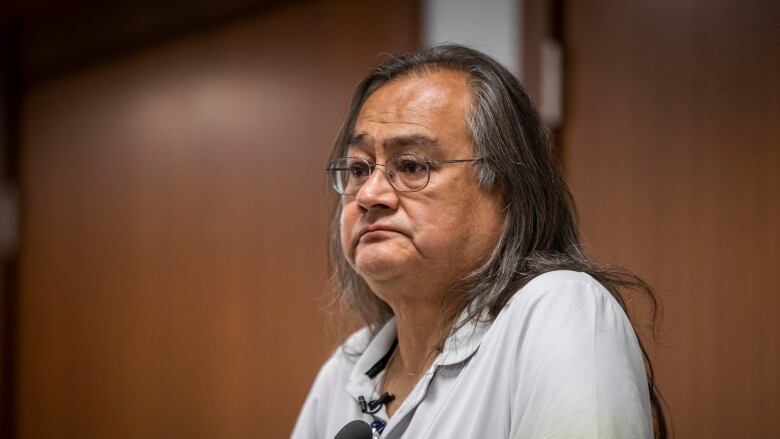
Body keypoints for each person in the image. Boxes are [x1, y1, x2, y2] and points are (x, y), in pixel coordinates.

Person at [292, 44, 667, 439]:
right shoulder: (347, 367)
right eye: (358, 168)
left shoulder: (559, 310)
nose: (369, 195)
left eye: (411, 166)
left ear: (505, 188)